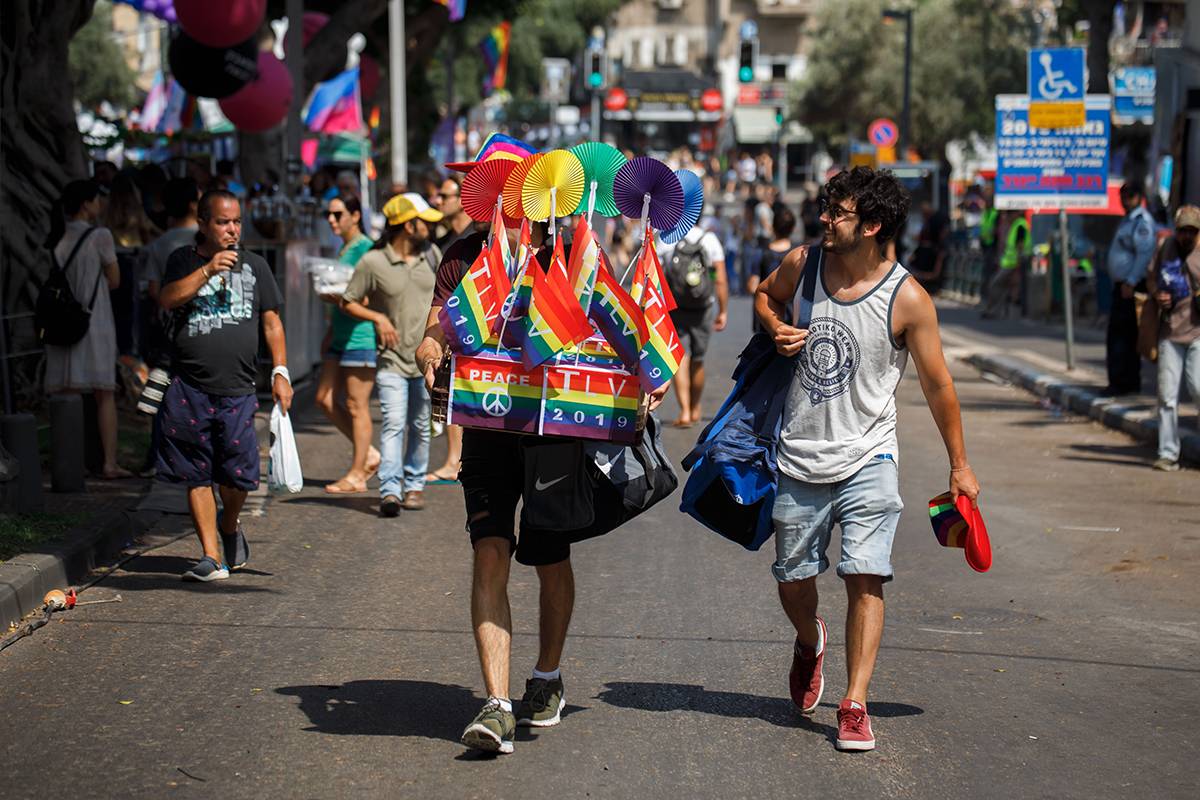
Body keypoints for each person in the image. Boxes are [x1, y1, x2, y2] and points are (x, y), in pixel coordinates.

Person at [754, 167, 980, 752]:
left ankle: (854, 701)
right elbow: (764, 294)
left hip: (869, 456)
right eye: (827, 208)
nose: (826, 218)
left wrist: (959, 464)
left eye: (839, 211)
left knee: (865, 573)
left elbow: (937, 385)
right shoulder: (803, 266)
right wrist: (777, 326)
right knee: (793, 577)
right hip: (799, 453)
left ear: (872, 225)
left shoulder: (908, 298)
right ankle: (810, 639)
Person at [157, 189, 292, 581]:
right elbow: (167, 299)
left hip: (238, 388)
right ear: (202, 224)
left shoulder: (254, 266)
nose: (232, 230)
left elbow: (271, 322)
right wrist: (208, 270)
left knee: (239, 475)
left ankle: (229, 525)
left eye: (236, 222)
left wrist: (280, 372)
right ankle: (211, 557)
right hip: (189, 386)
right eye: (222, 222)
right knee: (196, 471)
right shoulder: (182, 261)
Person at [340, 194, 442, 516]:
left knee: (420, 424)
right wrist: (378, 318)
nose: (430, 226)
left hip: (427, 360)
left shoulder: (433, 255)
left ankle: (414, 485)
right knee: (394, 423)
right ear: (407, 225)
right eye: (423, 220)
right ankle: (390, 491)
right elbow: (349, 300)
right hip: (391, 360)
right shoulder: (373, 262)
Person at [44, 179, 131, 480]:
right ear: (86, 204)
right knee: (103, 394)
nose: (100, 205)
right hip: (94, 321)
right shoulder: (100, 236)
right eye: (96, 200)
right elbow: (115, 279)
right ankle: (108, 463)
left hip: (62, 322)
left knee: (67, 393)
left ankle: (70, 462)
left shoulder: (57, 235)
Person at [315, 195, 380, 494]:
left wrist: (337, 296)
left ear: (355, 215)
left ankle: (357, 474)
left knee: (357, 405)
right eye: (328, 214)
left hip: (361, 335)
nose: (331, 220)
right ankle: (367, 453)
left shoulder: (366, 249)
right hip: (339, 334)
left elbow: (368, 298)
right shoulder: (346, 248)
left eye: (337, 214)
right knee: (324, 399)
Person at [1146, 205, 1200, 471]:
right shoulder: (1165, 247)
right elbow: (1151, 278)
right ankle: (1168, 452)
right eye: (1183, 230)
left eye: (1192, 231)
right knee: (1167, 396)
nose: (1187, 236)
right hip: (1169, 331)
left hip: (1198, 332)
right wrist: (1158, 294)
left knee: (1199, 389)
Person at [662, 220, 728, 427]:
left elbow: (657, 275)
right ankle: (696, 407)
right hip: (703, 307)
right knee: (698, 358)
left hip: (676, 305)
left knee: (679, 358)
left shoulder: (667, 238)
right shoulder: (710, 240)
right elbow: (719, 278)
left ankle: (685, 410)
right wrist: (723, 310)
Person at [1106, 183, 1157, 395]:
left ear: (1139, 197)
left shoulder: (1141, 222)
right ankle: (1119, 381)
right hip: (1122, 285)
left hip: (1130, 286)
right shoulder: (1128, 220)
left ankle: (1124, 383)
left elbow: (1144, 254)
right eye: (1123, 196)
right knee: (1118, 335)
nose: (1125, 200)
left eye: (1130, 196)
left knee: (1124, 337)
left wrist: (1131, 281)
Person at [981, 210, 1030, 319]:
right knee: (1003, 288)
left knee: (995, 284)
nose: (1007, 217)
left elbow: (1020, 247)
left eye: (1009, 214)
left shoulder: (1020, 225)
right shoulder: (1016, 225)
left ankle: (993, 311)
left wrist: (1017, 267)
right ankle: (996, 312)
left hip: (1013, 264)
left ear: (1016, 214)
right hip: (1008, 264)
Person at [910, 201, 950, 296]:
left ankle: (932, 286)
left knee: (934, 269)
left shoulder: (937, 219)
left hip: (933, 250)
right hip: (926, 251)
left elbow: (942, 235)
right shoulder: (928, 221)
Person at [433, 174, 473, 252]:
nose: (438, 201)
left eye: (444, 196)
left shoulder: (483, 238)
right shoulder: (441, 244)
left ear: (463, 199)